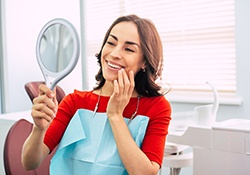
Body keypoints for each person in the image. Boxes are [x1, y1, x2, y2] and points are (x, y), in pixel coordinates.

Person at [22, 14, 171, 175]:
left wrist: (115, 115)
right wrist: (38, 129)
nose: (114, 53)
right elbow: (29, 163)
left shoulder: (157, 108)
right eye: (111, 43)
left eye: (128, 49)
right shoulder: (75, 102)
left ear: (144, 62)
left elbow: (145, 173)